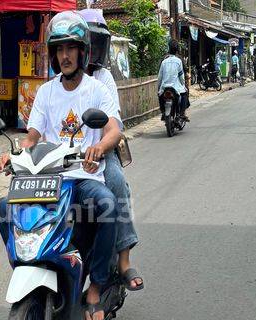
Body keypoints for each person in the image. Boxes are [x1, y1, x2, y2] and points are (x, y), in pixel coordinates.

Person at [0, 11, 122, 320]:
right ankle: (32, 268)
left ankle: (95, 286)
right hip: (49, 181)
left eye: (70, 48)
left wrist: (99, 147)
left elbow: (114, 129)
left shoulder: (97, 90)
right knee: (2, 211)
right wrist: (12, 155)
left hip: (82, 178)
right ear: (53, 54)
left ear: (83, 51)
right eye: (59, 49)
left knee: (107, 206)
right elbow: (32, 137)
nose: (64, 56)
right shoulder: (47, 92)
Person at [78, 7, 143, 291]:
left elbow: (113, 126)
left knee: (116, 182)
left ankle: (124, 259)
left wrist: (101, 148)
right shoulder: (57, 80)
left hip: (102, 151)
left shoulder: (103, 79)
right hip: (68, 156)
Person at [158, 39, 189, 121]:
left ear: (169, 48)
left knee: (160, 95)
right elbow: (182, 75)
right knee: (185, 94)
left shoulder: (164, 60)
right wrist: (183, 85)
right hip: (176, 86)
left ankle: (163, 112)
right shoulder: (179, 60)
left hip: (164, 86)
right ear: (177, 49)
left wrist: (159, 88)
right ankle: (182, 113)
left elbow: (160, 76)